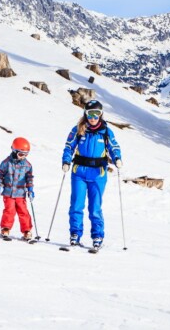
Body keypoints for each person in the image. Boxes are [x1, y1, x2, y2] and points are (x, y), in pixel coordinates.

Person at [61, 99, 122, 249]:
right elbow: (69, 146)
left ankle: (97, 236)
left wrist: (117, 158)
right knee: (76, 205)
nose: (93, 118)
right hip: (79, 173)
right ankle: (75, 234)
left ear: (101, 114)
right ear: (85, 114)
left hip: (98, 174)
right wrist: (66, 161)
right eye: (90, 114)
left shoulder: (106, 132)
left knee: (95, 207)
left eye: (96, 114)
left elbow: (114, 147)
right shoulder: (78, 129)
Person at [0, 137, 35, 240]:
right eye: (21, 154)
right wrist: (0, 185)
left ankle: (27, 230)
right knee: (9, 211)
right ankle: (5, 228)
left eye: (26, 154)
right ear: (14, 151)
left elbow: (29, 178)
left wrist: (30, 190)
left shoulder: (27, 165)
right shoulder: (6, 163)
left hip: (21, 194)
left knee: (23, 212)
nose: (23, 157)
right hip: (8, 193)